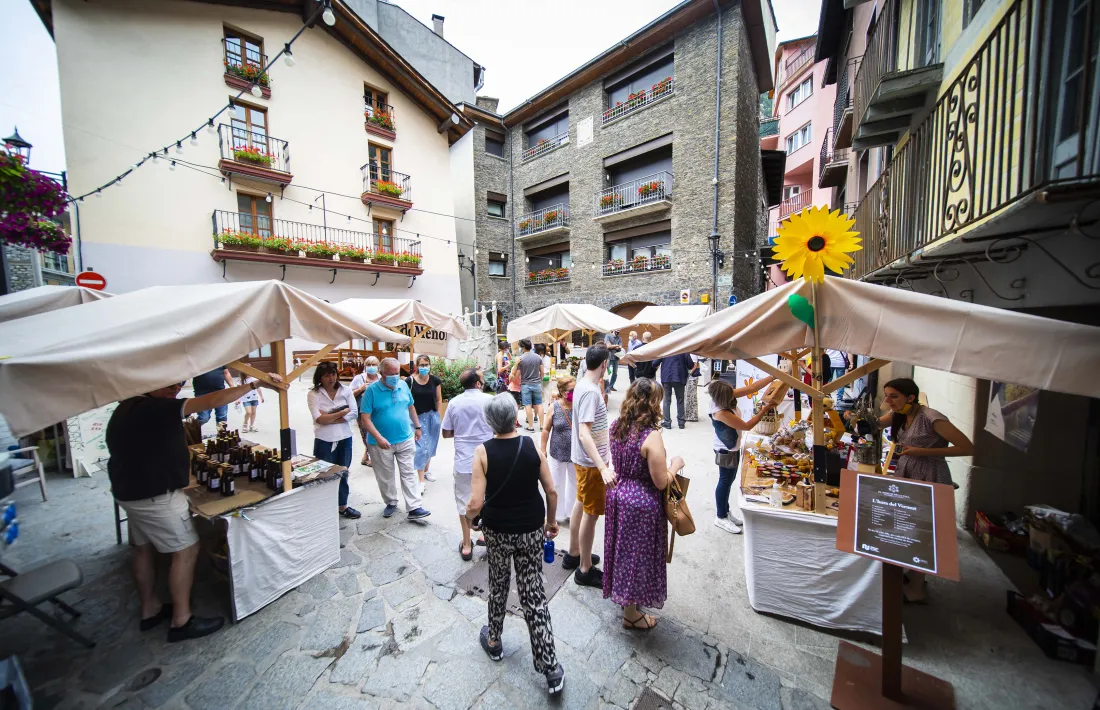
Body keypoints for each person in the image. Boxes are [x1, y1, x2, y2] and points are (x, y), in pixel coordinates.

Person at [107, 371, 281, 641]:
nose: (174, 388)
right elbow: (210, 401)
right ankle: (181, 620)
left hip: (128, 492)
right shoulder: (156, 408)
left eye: (178, 382)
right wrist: (255, 383)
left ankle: (150, 608)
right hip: (155, 495)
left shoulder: (125, 407)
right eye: (167, 382)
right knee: (186, 550)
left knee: (141, 549)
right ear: (148, 383)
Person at [467, 394, 565, 695]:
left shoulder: (482, 452)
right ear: (515, 417)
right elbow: (551, 491)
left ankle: (494, 641)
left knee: (498, 585)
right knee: (532, 590)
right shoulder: (531, 446)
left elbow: (474, 502)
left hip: (497, 531)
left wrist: (473, 520)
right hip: (531, 528)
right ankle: (550, 668)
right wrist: (551, 524)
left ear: (489, 421)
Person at [879, 377, 973, 602]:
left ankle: (917, 588)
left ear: (910, 397)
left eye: (894, 396)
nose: (888, 400)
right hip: (907, 472)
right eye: (886, 395)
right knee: (907, 527)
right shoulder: (900, 413)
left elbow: (968, 447)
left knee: (924, 531)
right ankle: (912, 575)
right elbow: (876, 424)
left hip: (930, 475)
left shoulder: (932, 418)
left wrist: (920, 452)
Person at [604, 378, 685, 630]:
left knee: (621, 551)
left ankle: (624, 596)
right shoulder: (651, 436)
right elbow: (661, 482)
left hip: (618, 496)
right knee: (635, 556)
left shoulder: (616, 426)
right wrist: (676, 464)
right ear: (653, 403)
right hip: (640, 503)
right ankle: (630, 614)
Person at [359, 358, 430, 520]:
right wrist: (378, 438)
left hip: (405, 438)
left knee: (409, 473)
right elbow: (365, 419)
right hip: (380, 443)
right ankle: (391, 502)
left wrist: (417, 427)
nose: (395, 376)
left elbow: (411, 406)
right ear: (381, 373)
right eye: (390, 374)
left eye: (397, 373)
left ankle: (414, 507)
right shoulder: (371, 391)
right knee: (385, 475)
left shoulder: (403, 385)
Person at [568, 345, 613, 587]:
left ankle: (574, 552)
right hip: (591, 463)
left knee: (581, 502)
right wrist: (603, 467)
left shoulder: (584, 385)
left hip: (584, 460)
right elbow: (585, 433)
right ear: (604, 364)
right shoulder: (591, 392)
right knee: (591, 513)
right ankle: (585, 568)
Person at [707, 379, 777, 534]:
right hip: (726, 450)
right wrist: (764, 409)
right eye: (732, 391)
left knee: (729, 480)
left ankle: (725, 511)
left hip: (731, 447)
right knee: (725, 482)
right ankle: (720, 516)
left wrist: (772, 377)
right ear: (725, 397)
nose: (734, 391)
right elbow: (746, 426)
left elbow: (752, 387)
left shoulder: (722, 397)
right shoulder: (721, 413)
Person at [442, 367, 495, 559]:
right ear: (479, 383)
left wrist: (464, 432)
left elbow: (446, 433)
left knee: (464, 503)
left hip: (464, 461)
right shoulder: (490, 400)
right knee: (489, 500)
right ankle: (486, 537)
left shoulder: (454, 403)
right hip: (489, 459)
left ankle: (466, 545)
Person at [307, 362, 361, 520]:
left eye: (332, 374)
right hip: (324, 439)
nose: (330, 378)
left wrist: (329, 416)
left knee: (342, 472)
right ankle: (324, 506)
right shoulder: (314, 394)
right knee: (323, 474)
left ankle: (342, 505)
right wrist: (341, 412)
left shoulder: (346, 390)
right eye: (326, 375)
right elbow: (318, 418)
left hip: (344, 437)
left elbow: (354, 412)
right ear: (320, 377)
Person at [540, 375, 577, 524]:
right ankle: (556, 514)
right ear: (562, 392)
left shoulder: (580, 405)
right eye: (571, 390)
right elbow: (546, 430)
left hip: (576, 454)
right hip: (557, 452)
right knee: (556, 484)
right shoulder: (554, 407)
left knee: (575, 485)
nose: (574, 392)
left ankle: (571, 513)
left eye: (576, 389)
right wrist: (543, 449)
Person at [408, 355, 443, 488]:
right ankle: (421, 479)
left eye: (426, 364)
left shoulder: (435, 380)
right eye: (421, 365)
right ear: (417, 366)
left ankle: (427, 470)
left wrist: (438, 415)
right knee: (421, 448)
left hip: (432, 416)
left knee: (431, 446)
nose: (424, 367)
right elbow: (407, 402)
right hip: (416, 418)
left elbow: (439, 398)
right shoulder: (410, 381)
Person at [351, 357, 381, 466]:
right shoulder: (359, 378)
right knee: (366, 434)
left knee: (375, 433)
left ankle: (365, 456)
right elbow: (348, 395)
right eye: (369, 365)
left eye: (374, 365)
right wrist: (361, 389)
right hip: (362, 411)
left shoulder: (381, 378)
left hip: (377, 411)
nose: (371, 367)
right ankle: (372, 457)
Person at [654, 352, 694, 429]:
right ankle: (681, 423)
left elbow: (655, 363)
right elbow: (690, 365)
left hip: (667, 377)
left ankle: (667, 422)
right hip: (680, 377)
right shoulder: (683, 349)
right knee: (680, 400)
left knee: (666, 401)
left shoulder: (666, 348)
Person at [511, 339, 544, 431]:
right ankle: (542, 426)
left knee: (528, 405)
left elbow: (515, 373)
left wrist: (515, 364)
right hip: (537, 384)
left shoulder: (521, 359)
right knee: (539, 404)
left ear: (523, 347)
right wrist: (539, 381)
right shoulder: (538, 357)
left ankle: (531, 427)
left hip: (525, 384)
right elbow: (542, 372)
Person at [684, 355, 702, 422]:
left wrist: (689, 373)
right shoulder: (691, 353)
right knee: (689, 397)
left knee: (691, 397)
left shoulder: (692, 354)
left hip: (692, 378)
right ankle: (690, 415)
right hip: (691, 378)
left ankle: (692, 416)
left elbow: (695, 365)